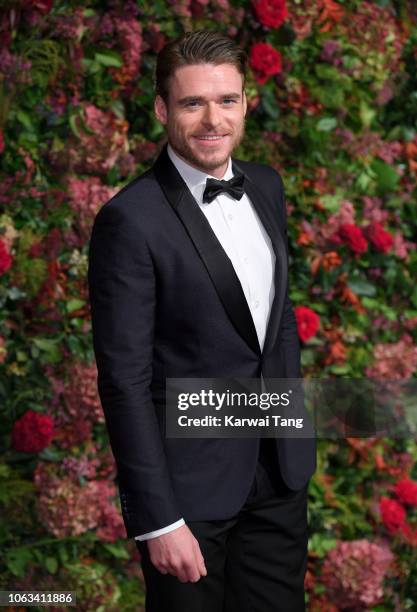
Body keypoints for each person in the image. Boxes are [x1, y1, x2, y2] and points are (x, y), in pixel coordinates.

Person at [88, 29, 316, 612]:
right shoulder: (130, 221)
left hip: (278, 479)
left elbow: (277, 322)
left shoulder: (265, 186)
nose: (212, 119)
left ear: (246, 102)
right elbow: (124, 383)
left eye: (226, 100)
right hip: (188, 496)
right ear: (163, 109)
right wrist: (158, 519)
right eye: (192, 103)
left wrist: (294, 431)